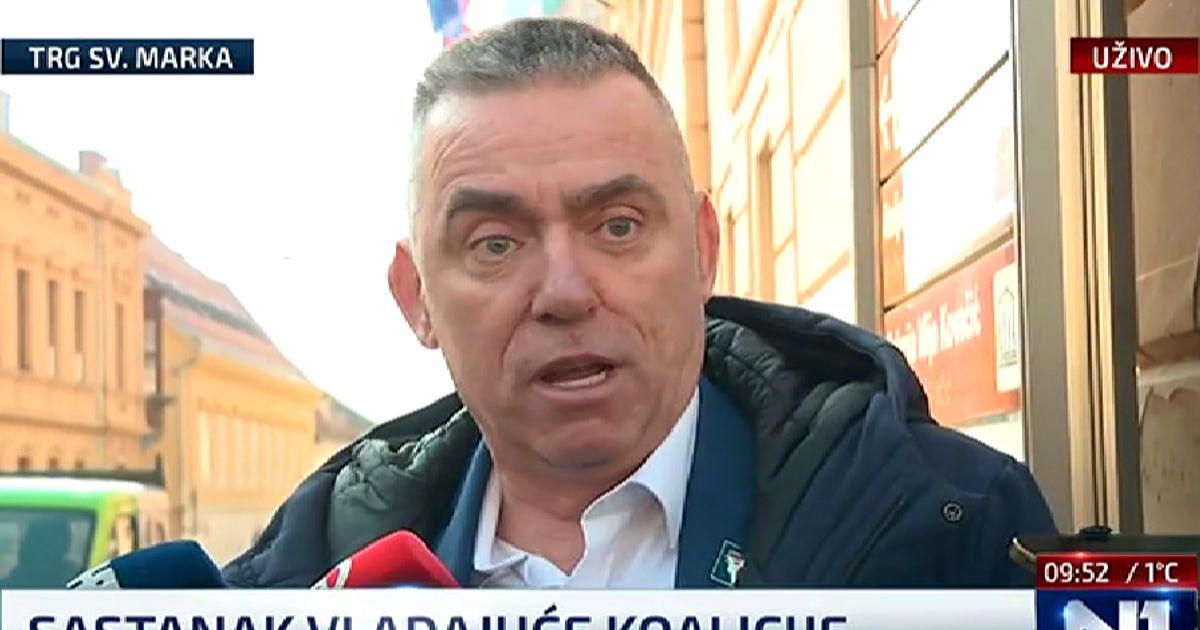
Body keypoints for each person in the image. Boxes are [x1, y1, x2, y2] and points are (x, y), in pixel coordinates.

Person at [223, 18, 1056, 588]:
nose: (564, 292)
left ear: (701, 251)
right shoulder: (309, 576)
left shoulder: (950, 522)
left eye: (617, 226)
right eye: (495, 243)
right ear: (417, 300)